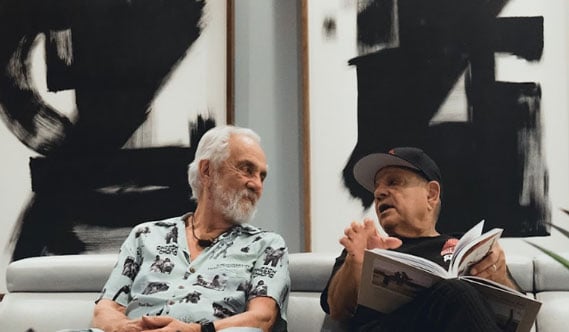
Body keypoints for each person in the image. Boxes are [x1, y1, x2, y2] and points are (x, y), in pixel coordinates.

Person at [88, 125, 290, 332]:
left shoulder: (267, 246)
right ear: (207, 171)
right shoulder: (146, 235)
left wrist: (194, 330)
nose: (257, 184)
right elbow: (104, 310)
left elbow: (262, 318)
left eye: (262, 176)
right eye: (247, 170)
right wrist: (127, 328)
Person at [320, 147, 520, 332]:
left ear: (431, 195)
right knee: (456, 292)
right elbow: (337, 310)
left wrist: (500, 278)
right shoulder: (364, 247)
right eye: (377, 188)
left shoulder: (467, 247)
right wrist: (356, 262)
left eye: (394, 182)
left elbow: (519, 321)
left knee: (459, 293)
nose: (379, 193)